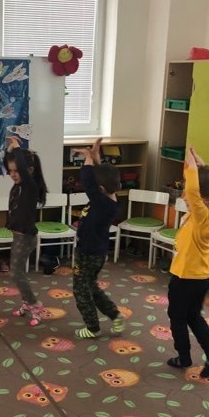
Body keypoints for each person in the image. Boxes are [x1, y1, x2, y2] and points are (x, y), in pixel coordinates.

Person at [165, 147, 209, 377]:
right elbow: (199, 189)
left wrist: (191, 167)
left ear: (206, 200)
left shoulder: (203, 218)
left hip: (186, 278)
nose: (184, 196)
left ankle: (184, 356)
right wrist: (199, 168)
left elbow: (193, 190)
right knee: (193, 316)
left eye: (188, 195)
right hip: (200, 277)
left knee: (177, 317)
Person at [72, 138, 124, 339]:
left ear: (99, 189)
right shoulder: (109, 200)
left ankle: (93, 327)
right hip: (96, 253)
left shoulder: (100, 202)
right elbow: (102, 179)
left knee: (81, 290)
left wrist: (88, 159)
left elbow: (87, 179)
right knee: (91, 287)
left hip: (87, 253)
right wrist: (96, 159)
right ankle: (114, 314)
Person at [4, 136, 48, 326]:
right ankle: (26, 302)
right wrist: (9, 151)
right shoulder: (18, 186)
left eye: (17, 171)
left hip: (26, 237)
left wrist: (17, 148)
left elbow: (21, 168)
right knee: (18, 272)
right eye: (11, 171)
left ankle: (35, 304)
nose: (13, 174)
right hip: (18, 236)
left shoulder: (30, 187)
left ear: (29, 171)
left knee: (16, 274)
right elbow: (6, 163)